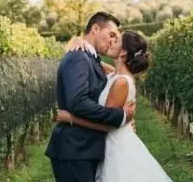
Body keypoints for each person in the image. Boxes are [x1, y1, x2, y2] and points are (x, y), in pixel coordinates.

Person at [56, 30, 174, 182]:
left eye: (116, 41)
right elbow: (92, 59)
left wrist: (71, 118)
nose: (111, 41)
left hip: (117, 147)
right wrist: (79, 40)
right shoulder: (114, 74)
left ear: (123, 52)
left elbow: (107, 125)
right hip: (111, 143)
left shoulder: (120, 82)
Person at [45, 12, 137, 182]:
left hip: (84, 150)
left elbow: (114, 75)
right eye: (111, 35)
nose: (112, 41)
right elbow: (78, 102)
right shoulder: (79, 57)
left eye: (116, 39)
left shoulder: (90, 58)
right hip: (74, 150)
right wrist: (120, 116)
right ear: (95, 28)